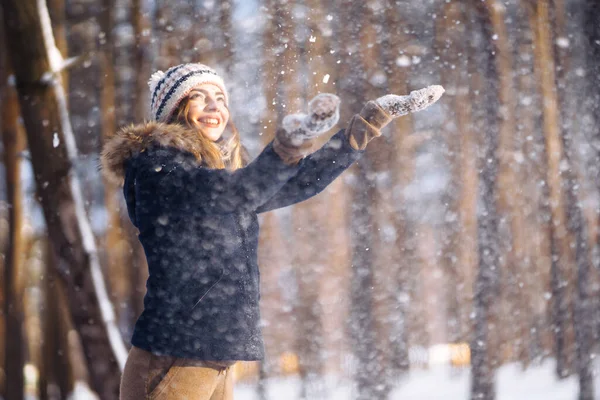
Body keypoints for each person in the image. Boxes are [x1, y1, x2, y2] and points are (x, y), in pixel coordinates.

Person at [101, 63, 444, 400]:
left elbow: (300, 181)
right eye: (198, 96)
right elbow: (237, 192)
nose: (214, 106)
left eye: (220, 98)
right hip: (172, 356)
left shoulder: (215, 176)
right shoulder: (159, 169)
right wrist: (286, 146)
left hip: (210, 354)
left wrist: (368, 122)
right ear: (174, 110)